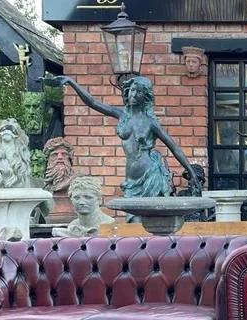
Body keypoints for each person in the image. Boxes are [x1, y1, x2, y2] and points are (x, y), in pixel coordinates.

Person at [44, 74, 197, 219]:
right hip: (131, 178)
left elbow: (173, 146)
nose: (134, 95)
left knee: (152, 222)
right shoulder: (122, 115)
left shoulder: (150, 122)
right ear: (127, 91)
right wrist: (71, 82)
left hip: (151, 175)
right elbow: (92, 103)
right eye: (132, 90)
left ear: (146, 96)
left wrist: (191, 172)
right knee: (134, 221)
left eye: (140, 92)